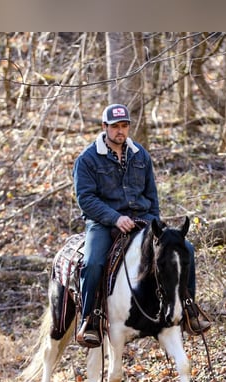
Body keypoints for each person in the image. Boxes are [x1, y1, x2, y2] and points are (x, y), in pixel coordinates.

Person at [73, 103, 211, 348]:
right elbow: (86, 199)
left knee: (185, 249)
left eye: (124, 126)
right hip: (104, 223)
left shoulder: (140, 155)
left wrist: (155, 225)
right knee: (93, 262)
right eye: (115, 126)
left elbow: (152, 195)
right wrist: (114, 218)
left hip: (143, 222)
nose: (120, 131)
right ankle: (90, 318)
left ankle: (188, 308)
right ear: (104, 127)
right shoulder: (87, 159)